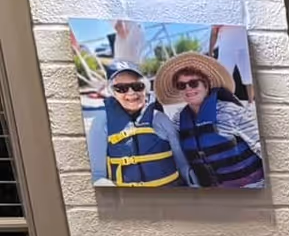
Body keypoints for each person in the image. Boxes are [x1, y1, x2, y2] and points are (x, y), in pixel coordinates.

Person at [156, 51, 266, 189]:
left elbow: (264, 149)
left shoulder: (231, 112)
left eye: (194, 83)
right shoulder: (178, 120)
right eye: (181, 85)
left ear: (206, 85)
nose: (188, 89)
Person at [84, 60, 190, 188]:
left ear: (145, 87)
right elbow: (97, 174)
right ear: (113, 92)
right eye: (121, 88)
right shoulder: (102, 122)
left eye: (137, 86)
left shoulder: (160, 119)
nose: (130, 93)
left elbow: (183, 165)